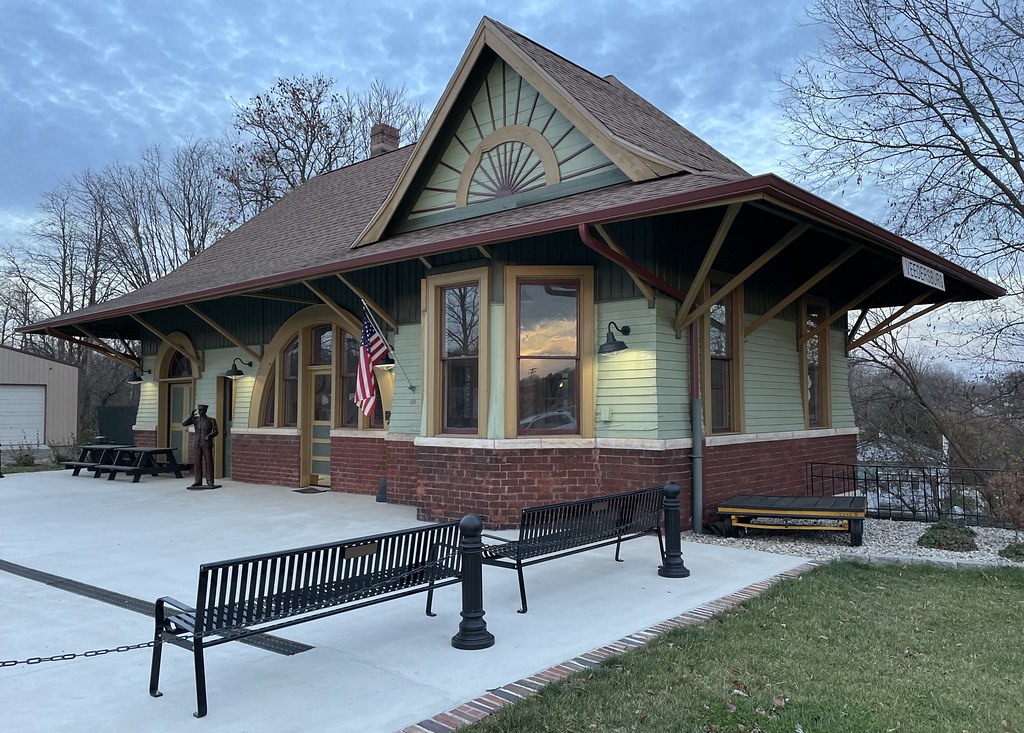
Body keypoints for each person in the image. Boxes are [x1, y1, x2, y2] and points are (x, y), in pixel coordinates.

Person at [182, 404, 218, 487]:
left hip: (206, 443)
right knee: (197, 462)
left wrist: (209, 436)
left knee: (209, 462)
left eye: (201, 410)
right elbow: (184, 423)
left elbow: (216, 431)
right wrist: (190, 415)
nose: (200, 411)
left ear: (205, 410)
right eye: (199, 410)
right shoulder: (195, 419)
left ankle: (210, 480)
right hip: (197, 443)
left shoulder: (211, 420)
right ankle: (198, 480)